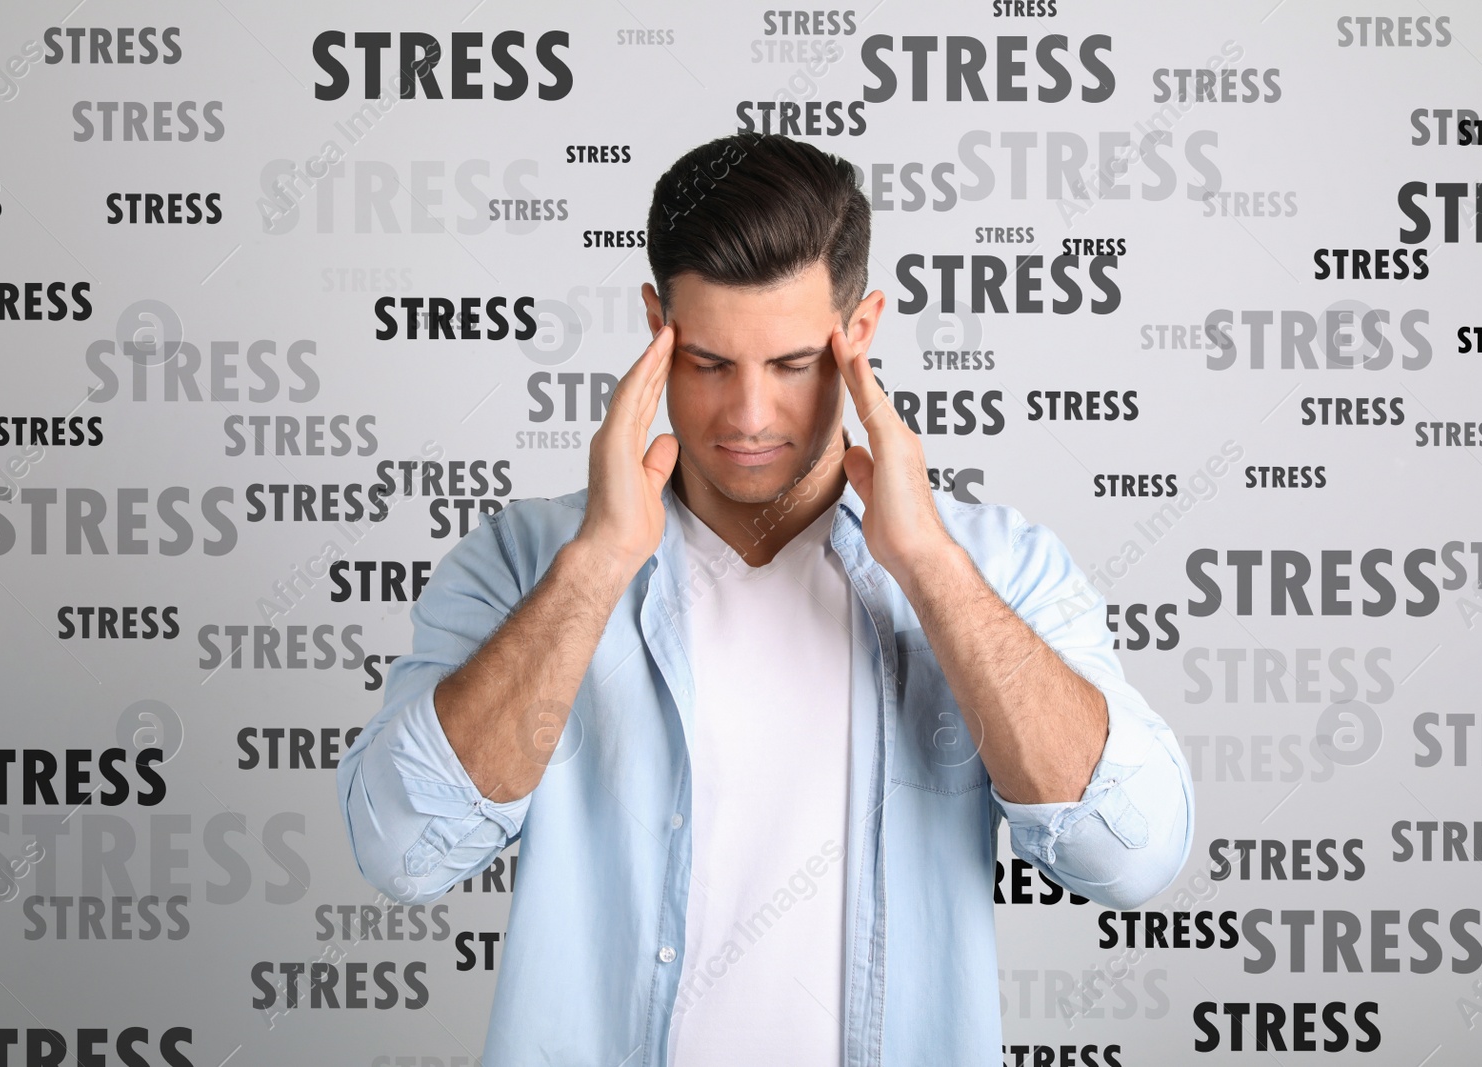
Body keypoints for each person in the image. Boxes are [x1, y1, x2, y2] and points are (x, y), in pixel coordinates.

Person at [337, 131, 1194, 1067]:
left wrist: (928, 567)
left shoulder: (995, 565)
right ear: (654, 328)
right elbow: (405, 850)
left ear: (857, 333)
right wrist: (596, 567)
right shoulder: (525, 562)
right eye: (707, 364)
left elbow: (1129, 854)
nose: (747, 417)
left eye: (790, 364)